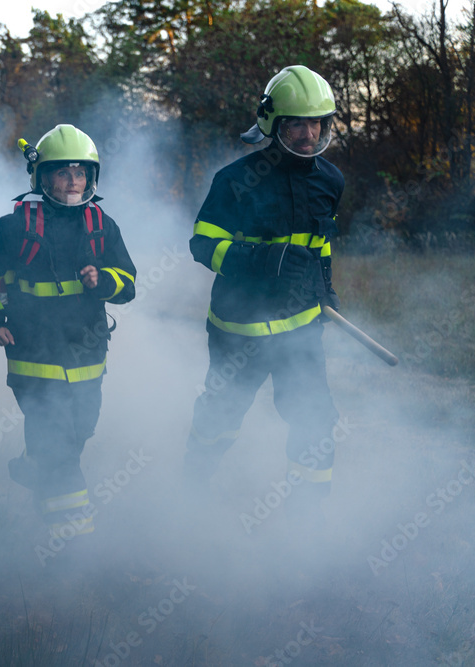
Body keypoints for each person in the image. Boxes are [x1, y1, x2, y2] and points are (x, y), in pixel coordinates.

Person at [184, 65, 344, 526]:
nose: (310, 132)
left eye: (317, 122)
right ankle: (193, 479)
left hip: (301, 327)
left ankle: (308, 522)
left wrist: (326, 290)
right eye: (298, 122)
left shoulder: (330, 181)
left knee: (316, 419)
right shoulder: (234, 180)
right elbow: (202, 245)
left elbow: (321, 246)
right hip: (240, 330)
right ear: (274, 124)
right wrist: (261, 262)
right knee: (221, 418)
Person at [0, 124, 136, 540]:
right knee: (58, 444)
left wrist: (105, 281)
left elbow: (129, 284)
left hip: (87, 354)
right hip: (33, 354)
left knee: (79, 432)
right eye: (63, 172)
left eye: (81, 172)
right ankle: (71, 538)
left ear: (92, 177)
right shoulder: (14, 227)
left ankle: (32, 465)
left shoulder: (102, 224)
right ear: (42, 177)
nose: (73, 181)